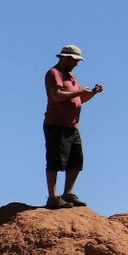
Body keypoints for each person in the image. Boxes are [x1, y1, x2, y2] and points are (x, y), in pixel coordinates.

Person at [43, 44, 103, 209]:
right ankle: (53, 197)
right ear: (67, 58)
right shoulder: (53, 73)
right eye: (75, 60)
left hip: (72, 126)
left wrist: (92, 93)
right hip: (56, 124)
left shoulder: (71, 76)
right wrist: (78, 93)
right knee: (55, 160)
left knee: (76, 160)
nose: (76, 64)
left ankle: (68, 193)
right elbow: (57, 96)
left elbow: (78, 100)